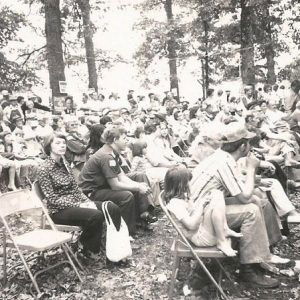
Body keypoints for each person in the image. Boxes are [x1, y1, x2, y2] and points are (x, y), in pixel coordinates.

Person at [190, 122, 280, 288]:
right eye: (249, 144)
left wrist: (257, 180)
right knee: (251, 210)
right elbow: (244, 197)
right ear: (243, 146)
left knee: (258, 201)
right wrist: (252, 169)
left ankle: (260, 257)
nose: (250, 147)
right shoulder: (224, 162)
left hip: (207, 208)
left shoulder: (222, 157)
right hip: (200, 218)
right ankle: (248, 271)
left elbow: (238, 187)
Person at [36, 133, 121, 259]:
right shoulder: (44, 169)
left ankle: (115, 246)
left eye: (64, 143)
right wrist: (79, 204)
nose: (62, 146)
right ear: (49, 146)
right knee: (96, 215)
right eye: (58, 143)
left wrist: (88, 202)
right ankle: (86, 249)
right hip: (58, 210)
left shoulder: (65, 164)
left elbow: (76, 189)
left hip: (76, 205)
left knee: (111, 207)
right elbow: (52, 199)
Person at [78, 126, 154, 234]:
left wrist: (138, 185)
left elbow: (122, 176)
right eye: (124, 138)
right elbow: (115, 185)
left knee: (139, 177)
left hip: (103, 186)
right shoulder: (106, 156)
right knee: (126, 196)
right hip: (92, 192)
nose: (127, 140)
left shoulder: (112, 152)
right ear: (115, 140)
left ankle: (142, 217)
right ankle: (126, 232)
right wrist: (137, 187)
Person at [165, 166, 242, 256]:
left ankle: (224, 229)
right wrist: (202, 206)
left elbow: (193, 213)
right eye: (188, 181)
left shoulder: (182, 197)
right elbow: (191, 226)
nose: (190, 183)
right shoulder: (175, 204)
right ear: (180, 185)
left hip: (201, 230)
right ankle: (221, 241)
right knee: (215, 200)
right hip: (199, 237)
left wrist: (204, 202)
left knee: (216, 193)